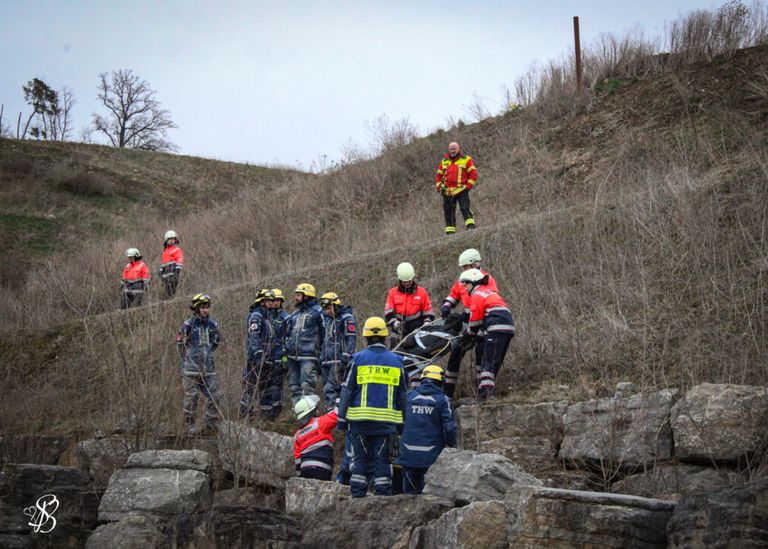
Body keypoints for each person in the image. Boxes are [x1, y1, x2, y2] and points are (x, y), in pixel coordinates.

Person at [337, 317, 407, 497]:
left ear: (366, 337)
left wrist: (341, 420)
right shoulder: (397, 361)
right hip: (386, 425)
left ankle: (358, 496)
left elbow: (347, 390)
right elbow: (402, 396)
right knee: (382, 461)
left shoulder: (357, 359)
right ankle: (382, 497)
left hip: (359, 423)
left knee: (359, 460)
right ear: (385, 337)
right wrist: (402, 424)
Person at [440, 248, 498, 398]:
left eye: (466, 267)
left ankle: (481, 392)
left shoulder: (487, 280)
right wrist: (446, 306)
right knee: (456, 353)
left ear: (475, 264)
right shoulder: (462, 279)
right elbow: (453, 296)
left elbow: (485, 302)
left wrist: (470, 316)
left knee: (481, 353)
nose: (464, 270)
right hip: (467, 321)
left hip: (482, 320)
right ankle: (447, 393)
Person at [397, 365, 457, 494]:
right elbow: (449, 428)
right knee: (429, 498)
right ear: (441, 381)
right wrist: (452, 445)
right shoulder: (442, 400)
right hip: (432, 458)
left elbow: (399, 422)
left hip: (408, 455)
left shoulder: (408, 397)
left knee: (409, 497)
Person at [459, 269, 515, 400]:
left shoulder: (477, 295)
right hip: (506, 328)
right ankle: (487, 392)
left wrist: (467, 334)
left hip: (496, 328)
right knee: (495, 361)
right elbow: (486, 318)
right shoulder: (488, 293)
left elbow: (475, 321)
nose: (465, 288)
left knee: (488, 362)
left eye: (466, 284)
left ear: (473, 283)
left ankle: (485, 396)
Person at [176, 293, 222, 434]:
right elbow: (179, 344)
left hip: (208, 368)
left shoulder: (213, 325)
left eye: (207, 307)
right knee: (192, 396)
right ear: (196, 308)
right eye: (202, 307)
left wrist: (207, 356)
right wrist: (188, 359)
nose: (205, 310)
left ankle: (211, 423)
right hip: (190, 368)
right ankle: (189, 424)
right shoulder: (187, 325)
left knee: (215, 395)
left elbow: (216, 342)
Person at [284, 283, 326, 405]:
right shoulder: (295, 314)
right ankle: (298, 413)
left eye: (298, 295)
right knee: (294, 387)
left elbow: (324, 334)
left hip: (309, 355)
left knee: (307, 386)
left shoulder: (319, 312)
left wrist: (321, 353)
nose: (295, 298)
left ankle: (310, 414)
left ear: (307, 296)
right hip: (292, 357)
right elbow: (288, 334)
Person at [319, 292, 358, 409]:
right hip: (326, 360)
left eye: (329, 308)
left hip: (339, 360)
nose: (327, 311)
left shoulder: (347, 318)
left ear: (336, 306)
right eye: (325, 309)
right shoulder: (326, 320)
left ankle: (334, 416)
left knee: (331, 388)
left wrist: (346, 357)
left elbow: (351, 338)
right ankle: (330, 413)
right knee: (327, 389)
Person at [239, 289, 273, 419]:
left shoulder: (266, 317)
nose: (271, 303)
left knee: (265, 387)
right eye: (269, 300)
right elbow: (254, 336)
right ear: (262, 302)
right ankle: (244, 413)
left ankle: (266, 416)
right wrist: (258, 354)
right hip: (256, 359)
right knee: (250, 386)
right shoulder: (256, 316)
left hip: (267, 357)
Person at [384, 262, 434, 348]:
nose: (407, 283)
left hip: (417, 331)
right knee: (396, 356)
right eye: (405, 281)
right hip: (398, 332)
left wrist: (427, 323)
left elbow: (428, 313)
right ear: (400, 280)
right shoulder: (392, 293)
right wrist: (395, 324)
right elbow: (388, 314)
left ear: (413, 278)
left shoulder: (421, 292)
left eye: (409, 281)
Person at [435, 141, 478, 234]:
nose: (452, 150)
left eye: (454, 148)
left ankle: (471, 228)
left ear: (459, 149)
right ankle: (450, 233)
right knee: (448, 212)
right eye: (450, 149)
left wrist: (468, 186)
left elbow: (473, 174)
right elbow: (438, 175)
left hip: (461, 190)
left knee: (465, 208)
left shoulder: (466, 159)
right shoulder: (444, 161)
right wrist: (439, 186)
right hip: (447, 192)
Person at [293, 394, 338, 480]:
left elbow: (297, 459)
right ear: (311, 412)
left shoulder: (298, 435)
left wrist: (300, 477)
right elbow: (337, 414)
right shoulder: (321, 422)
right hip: (323, 469)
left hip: (305, 470)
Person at [262, 288, 291, 420]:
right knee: (265, 384)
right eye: (272, 300)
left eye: (277, 300)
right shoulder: (265, 317)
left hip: (280, 356)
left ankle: (276, 411)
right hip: (266, 357)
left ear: (281, 301)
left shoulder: (286, 318)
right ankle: (266, 412)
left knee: (276, 384)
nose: (274, 303)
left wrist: (285, 359)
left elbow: (288, 340)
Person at [159, 230, 184, 299]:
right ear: (166, 240)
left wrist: (177, 270)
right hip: (166, 274)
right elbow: (163, 262)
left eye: (173, 239)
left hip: (173, 272)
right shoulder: (165, 251)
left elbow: (180, 259)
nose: (171, 241)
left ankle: (171, 301)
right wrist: (161, 271)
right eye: (170, 239)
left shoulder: (177, 249)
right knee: (166, 291)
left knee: (172, 290)